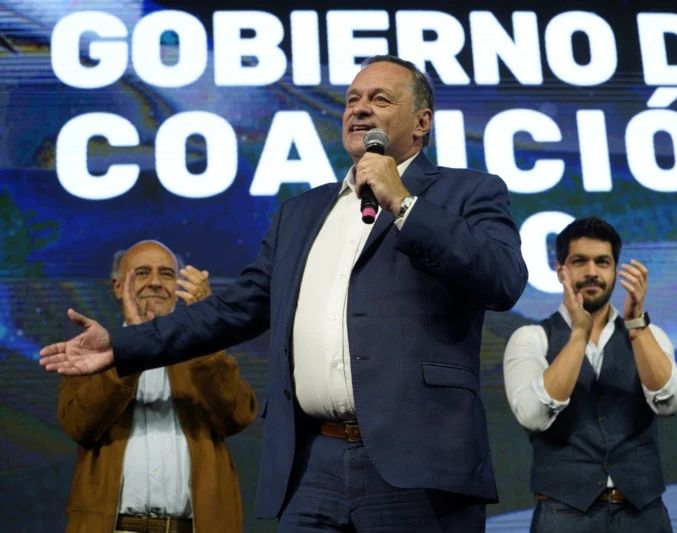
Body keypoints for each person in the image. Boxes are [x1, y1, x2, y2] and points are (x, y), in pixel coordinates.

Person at [41, 55, 528, 531]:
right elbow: (235, 308)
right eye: (352, 100)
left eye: (380, 99)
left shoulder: (469, 193)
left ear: (422, 122)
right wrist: (121, 345)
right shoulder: (301, 213)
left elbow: (502, 279)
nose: (359, 109)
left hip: (418, 462)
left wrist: (402, 202)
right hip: (314, 464)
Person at [503, 216, 677, 533]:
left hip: (643, 515)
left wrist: (637, 327)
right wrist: (578, 336)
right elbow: (533, 416)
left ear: (615, 270)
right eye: (579, 261)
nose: (592, 271)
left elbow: (673, 403)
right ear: (560, 270)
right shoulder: (532, 338)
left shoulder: (650, 335)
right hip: (563, 515)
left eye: (602, 262)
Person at [57, 240, 258, 532]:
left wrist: (205, 327)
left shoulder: (203, 352)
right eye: (142, 273)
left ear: (178, 287)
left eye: (166, 274)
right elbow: (80, 426)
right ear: (117, 287)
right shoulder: (91, 354)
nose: (155, 282)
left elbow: (237, 417)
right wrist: (132, 348)